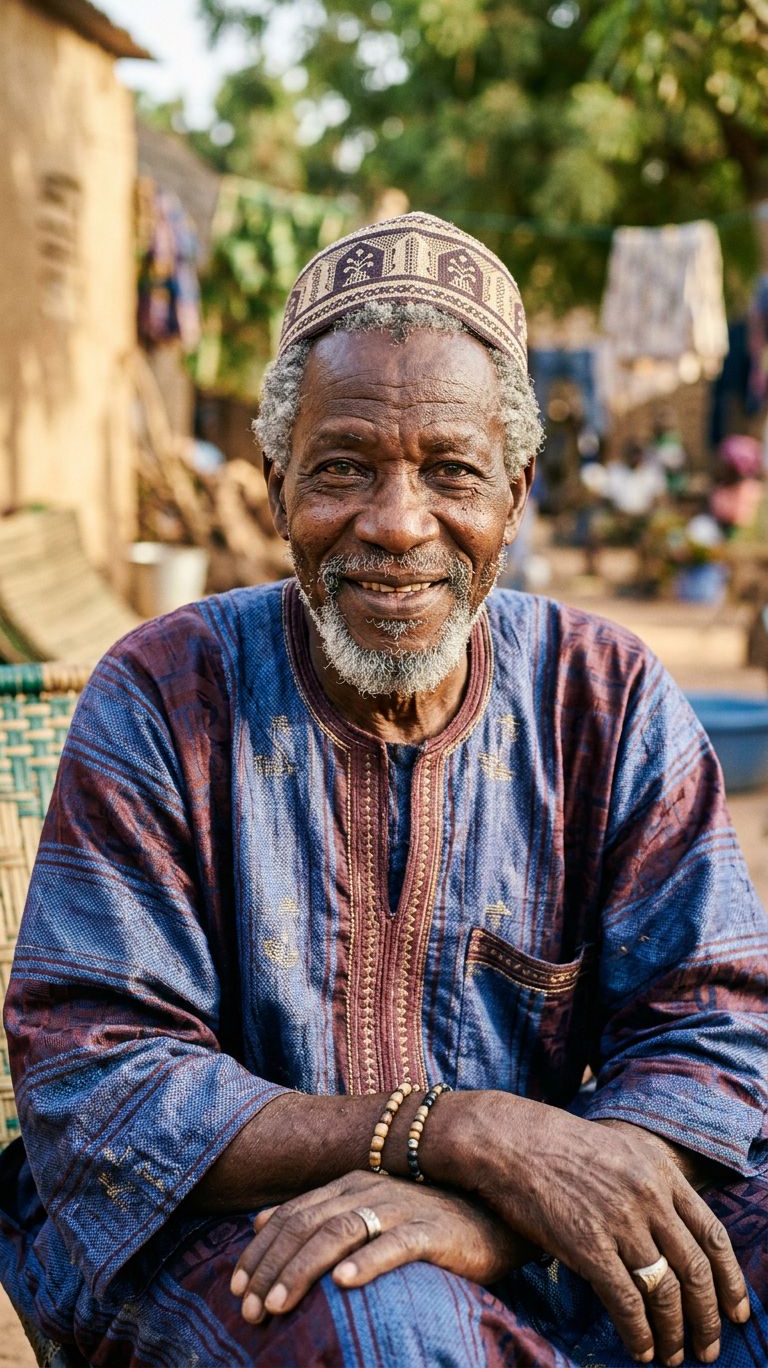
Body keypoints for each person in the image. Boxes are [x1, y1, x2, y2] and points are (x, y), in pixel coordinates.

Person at [0, 213, 766, 1368]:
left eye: (450, 470)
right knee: (381, 1319)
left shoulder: (603, 693)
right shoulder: (163, 694)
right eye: (344, 467)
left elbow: (712, 1023)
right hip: (230, 1239)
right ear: (275, 486)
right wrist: (455, 1128)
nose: (397, 524)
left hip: (535, 1233)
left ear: (515, 493)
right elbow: (100, 1075)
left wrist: (490, 1207)